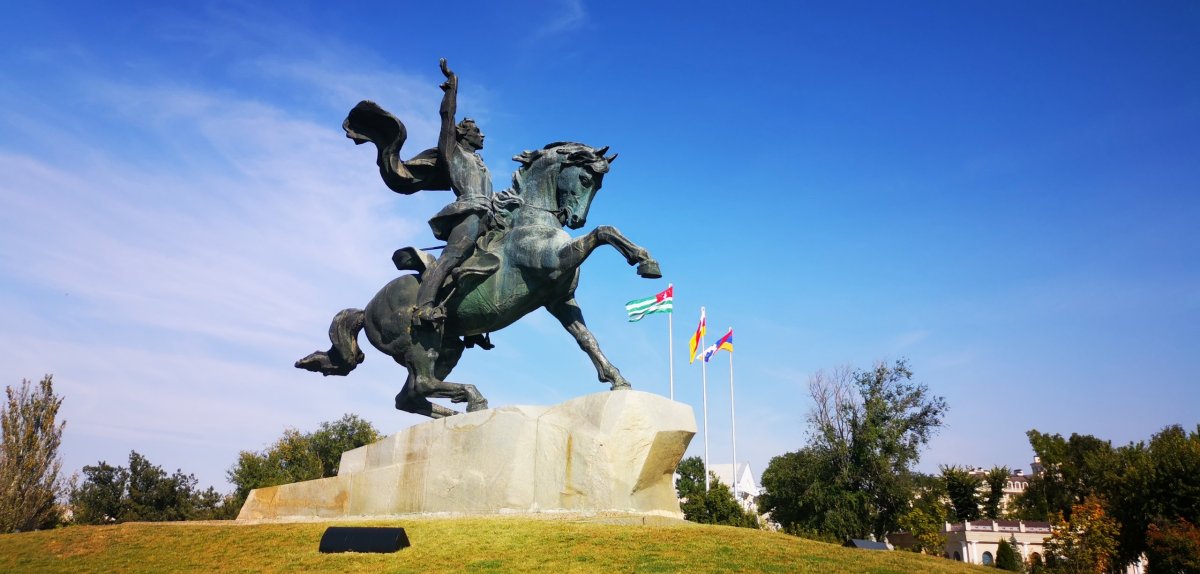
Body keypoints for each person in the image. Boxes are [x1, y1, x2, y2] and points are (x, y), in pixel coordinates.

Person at [343, 59, 492, 326]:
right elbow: (448, 118)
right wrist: (451, 89)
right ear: (463, 134)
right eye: (477, 131)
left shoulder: (481, 164)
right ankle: (424, 307)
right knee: (453, 257)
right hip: (467, 214)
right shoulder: (453, 153)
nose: (483, 135)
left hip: (488, 217)